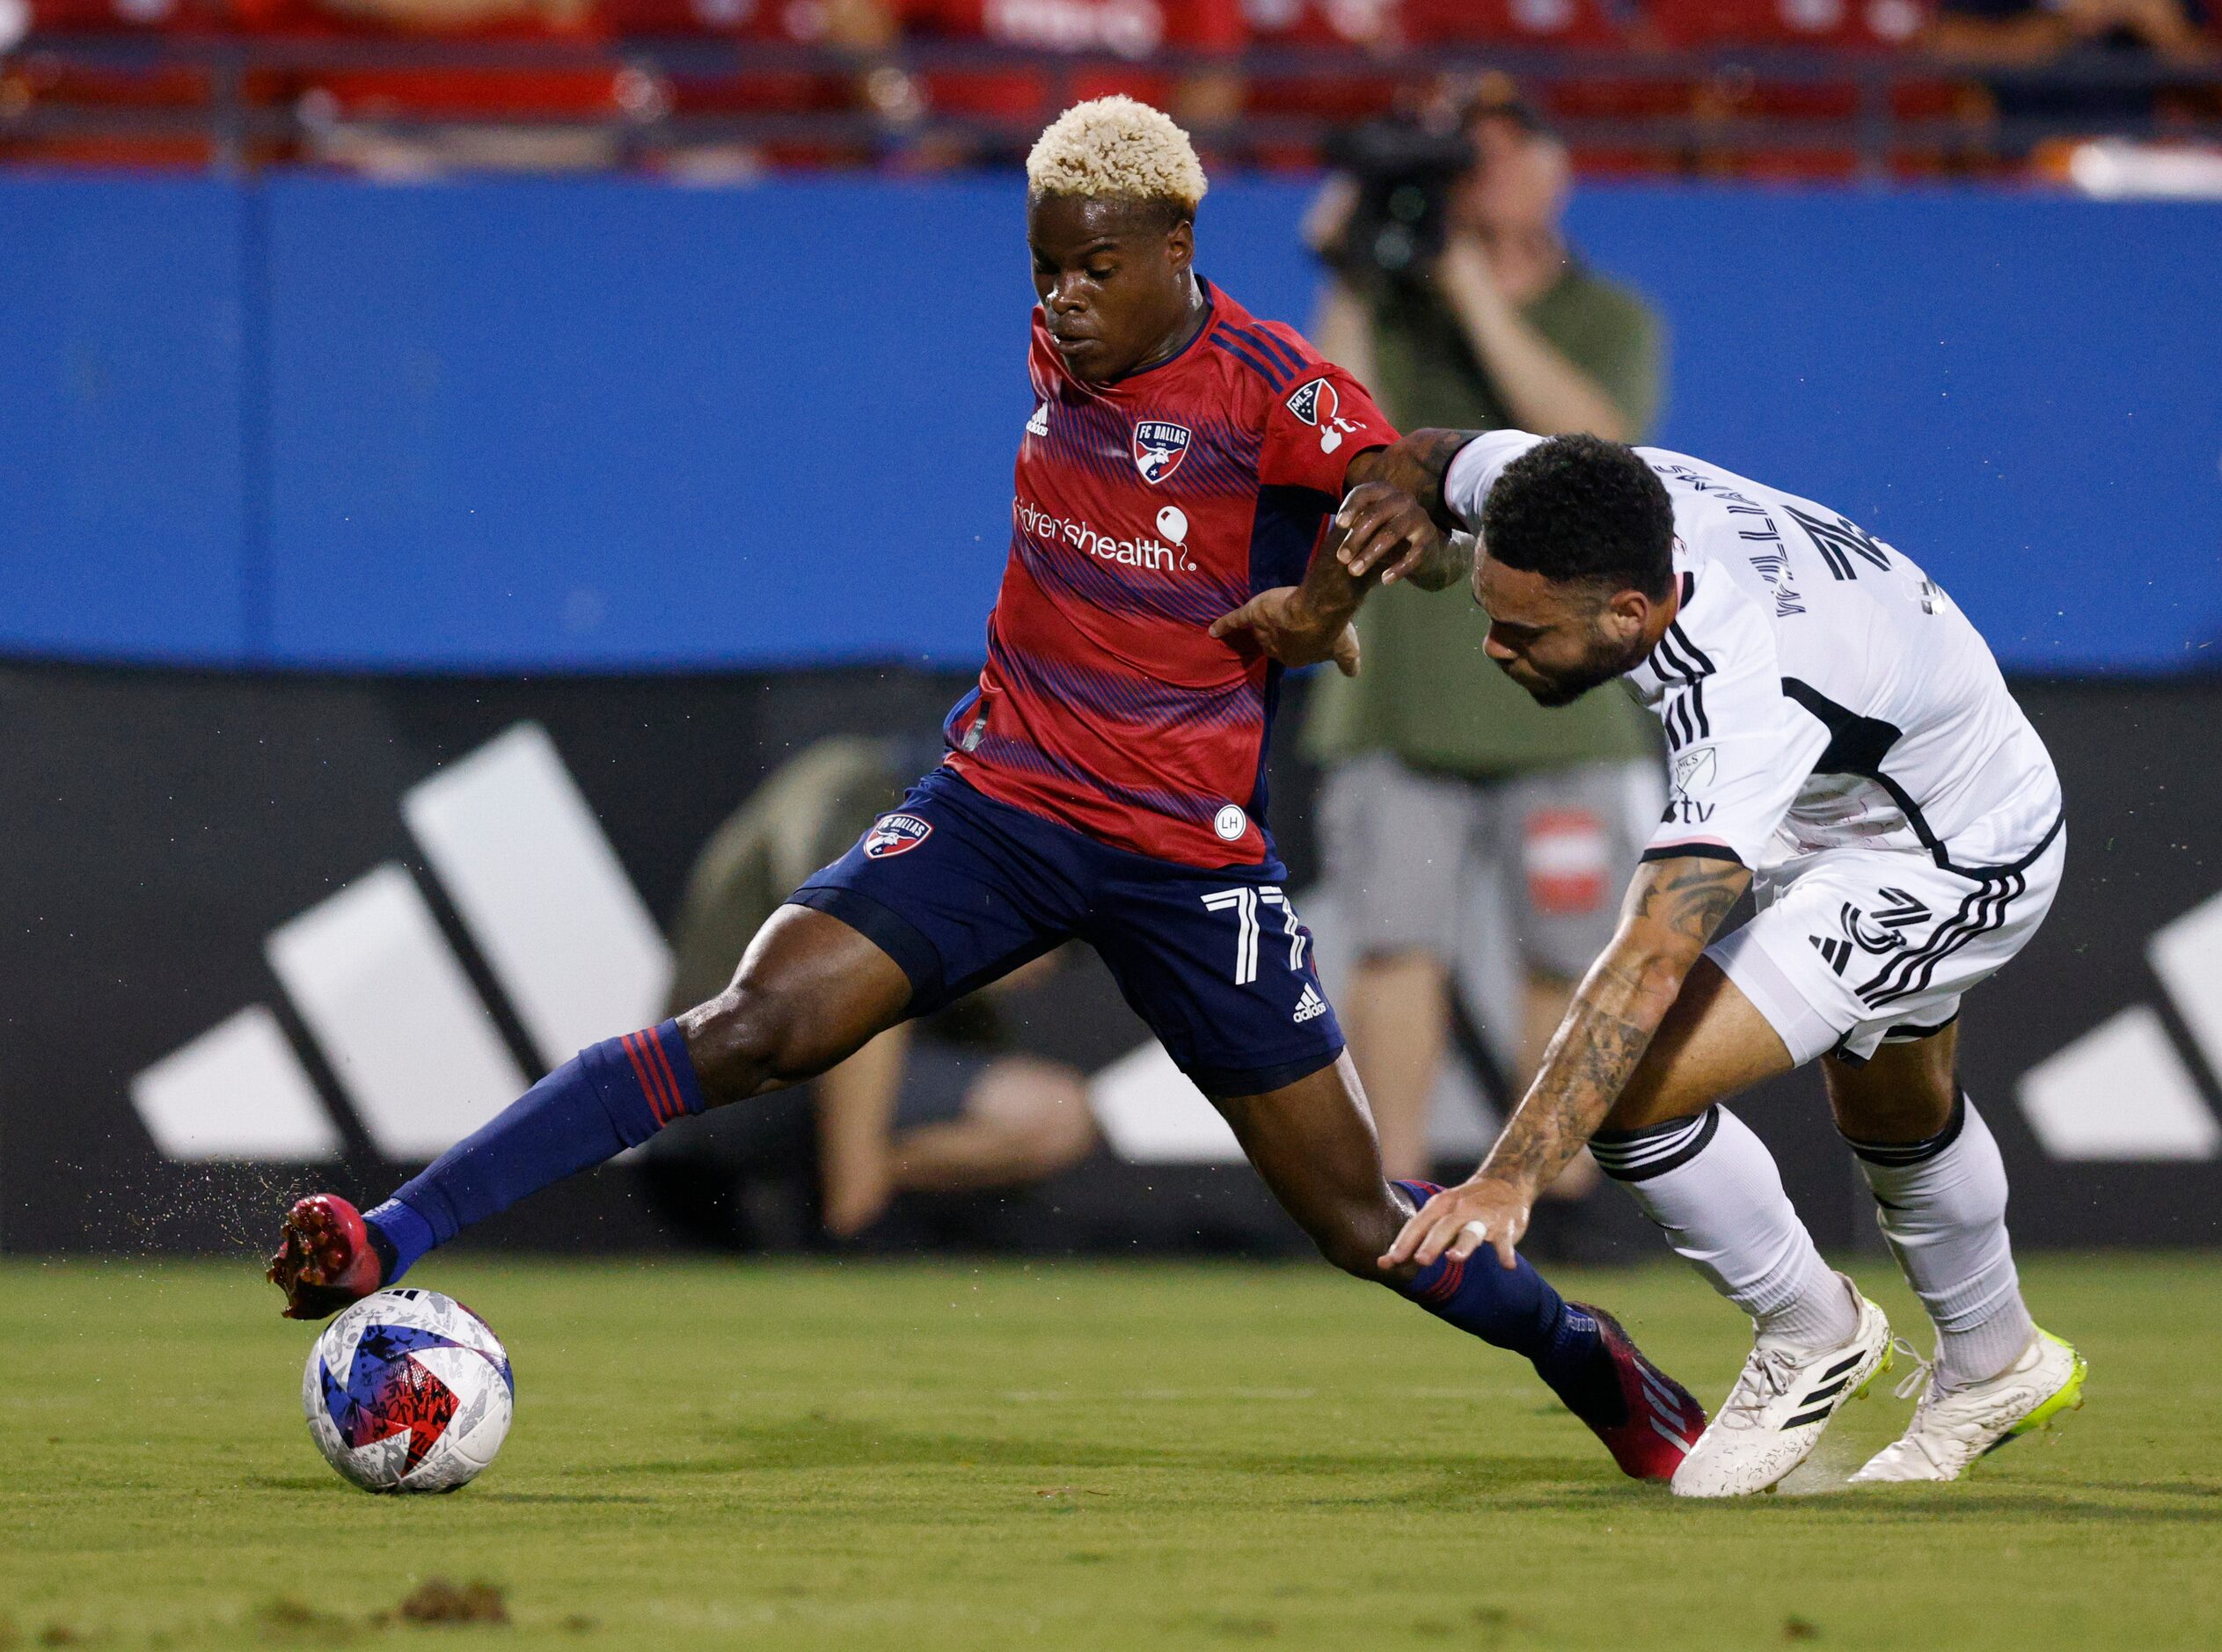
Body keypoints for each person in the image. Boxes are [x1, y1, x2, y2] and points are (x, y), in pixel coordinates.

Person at [267, 95, 1707, 1480]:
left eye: (1096, 268)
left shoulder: (1273, 388)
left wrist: (1343, 573)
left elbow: (1396, 478)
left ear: (1175, 258)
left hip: (1184, 860)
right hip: (1000, 801)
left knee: (1348, 1211)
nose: (1065, 300)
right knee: (757, 1023)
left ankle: (1587, 1355)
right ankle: (394, 1229)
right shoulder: (1061, 350)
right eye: (1046, 269)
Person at [1327, 428, 2083, 1496]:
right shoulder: (1572, 489)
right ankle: (1996, 1361)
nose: (1494, 645)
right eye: (1486, 608)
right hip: (1873, 786)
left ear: (1632, 614)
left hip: (1951, 850)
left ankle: (1810, 1328)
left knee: (1628, 1095)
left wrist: (1510, 1177)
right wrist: (1403, 511)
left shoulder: (1744, 694)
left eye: (1522, 628)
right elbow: (1425, 455)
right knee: (1892, 1105)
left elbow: (1647, 963)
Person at [1304, 90, 1665, 1191]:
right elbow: (1338, 431)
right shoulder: (1392, 310)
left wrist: (1467, 284)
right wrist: (1353, 274)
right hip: (1405, 694)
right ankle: (1391, 1196)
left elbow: (1590, 452)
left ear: (1555, 170)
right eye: (1461, 163)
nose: (1478, 179)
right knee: (1391, 947)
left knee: (1569, 956)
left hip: (1562, 700)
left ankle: (1553, 1196)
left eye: (1500, 155)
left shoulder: (1606, 312)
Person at [658, 735, 1095, 1240]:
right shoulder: (852, 786)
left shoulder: (939, 844)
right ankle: (848, 1225)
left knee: (1055, 1114)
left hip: (761, 1076)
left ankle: (828, 1195)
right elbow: (840, 979)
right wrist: (857, 1215)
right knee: (1043, 1106)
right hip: (721, 1079)